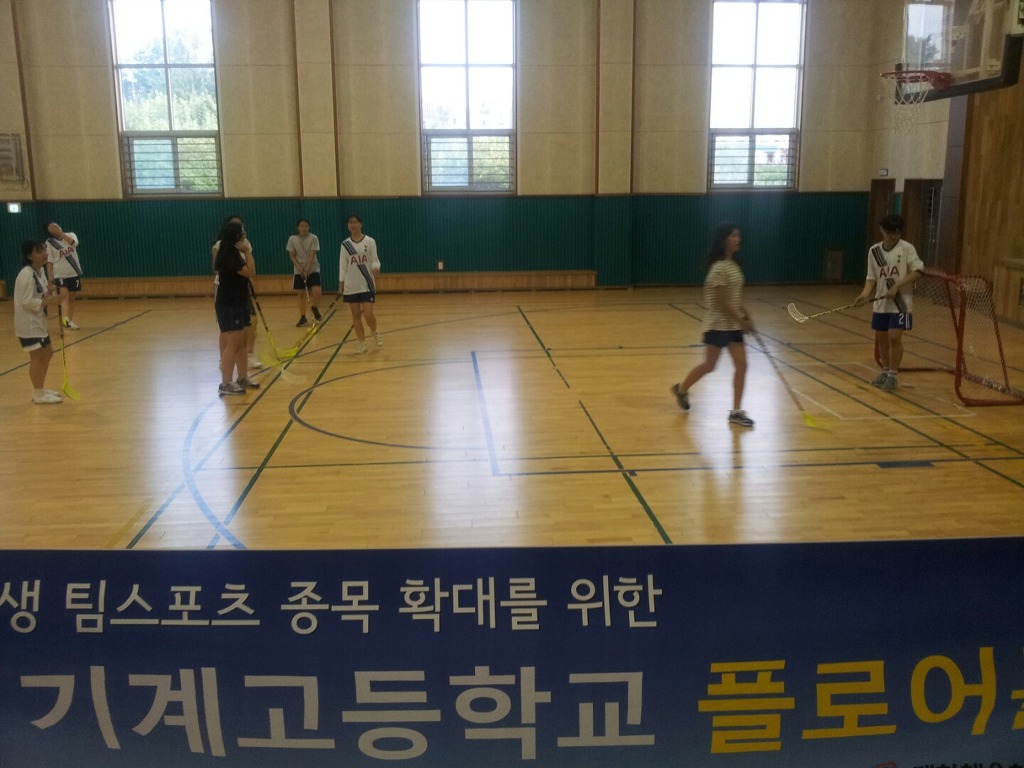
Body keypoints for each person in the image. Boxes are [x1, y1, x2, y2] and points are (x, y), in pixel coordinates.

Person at [670, 222, 755, 427]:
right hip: (717, 324)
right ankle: (681, 389)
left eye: (739, 236)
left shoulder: (734, 265)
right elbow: (721, 301)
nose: (738, 239)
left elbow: (734, 297)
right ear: (724, 239)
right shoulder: (718, 268)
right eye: (734, 236)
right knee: (709, 366)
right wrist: (740, 320)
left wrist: (746, 316)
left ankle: (736, 411)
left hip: (733, 325)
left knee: (742, 365)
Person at [854, 213, 925, 393]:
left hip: (901, 303)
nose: (894, 236)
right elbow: (871, 277)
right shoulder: (874, 251)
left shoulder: (907, 248)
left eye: (897, 233)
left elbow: (918, 271)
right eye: (890, 232)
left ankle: (893, 375)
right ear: (882, 230)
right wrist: (864, 294)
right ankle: (885, 371)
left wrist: (898, 286)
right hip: (881, 304)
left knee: (894, 337)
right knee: (882, 339)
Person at [14, 240, 64, 404]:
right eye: (39, 251)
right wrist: (49, 301)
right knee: (37, 356)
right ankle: (38, 393)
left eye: (44, 250)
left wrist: (49, 292)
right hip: (28, 324)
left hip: (39, 322)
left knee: (48, 352)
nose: (44, 253)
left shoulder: (39, 271)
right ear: (29, 256)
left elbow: (39, 294)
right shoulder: (26, 275)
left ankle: (40, 388)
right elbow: (26, 301)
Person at [214, 220, 259, 396]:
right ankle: (225, 383)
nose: (245, 235)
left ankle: (242, 377)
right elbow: (250, 271)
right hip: (229, 304)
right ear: (235, 236)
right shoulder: (229, 255)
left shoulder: (235, 253)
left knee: (242, 341)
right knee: (233, 343)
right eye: (242, 232)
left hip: (240, 301)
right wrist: (248, 252)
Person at [339, 213, 382, 353]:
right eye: (350, 222)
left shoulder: (370, 241)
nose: (353, 225)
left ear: (360, 224)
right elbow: (343, 266)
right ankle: (362, 343)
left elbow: (375, 260)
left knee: (369, 315)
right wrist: (341, 284)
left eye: (355, 222)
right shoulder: (345, 245)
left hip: (367, 284)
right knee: (356, 316)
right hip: (351, 286)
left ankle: (374, 331)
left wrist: (376, 267)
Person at [44, 221, 82, 330]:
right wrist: (50, 276)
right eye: (51, 228)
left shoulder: (71, 235)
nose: (54, 228)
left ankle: (69, 320)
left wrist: (61, 234)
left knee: (72, 298)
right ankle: (66, 321)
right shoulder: (49, 242)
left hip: (73, 272)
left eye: (55, 225)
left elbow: (73, 243)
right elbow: (50, 261)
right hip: (60, 274)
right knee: (64, 296)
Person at [287, 218, 322, 327]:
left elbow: (312, 255)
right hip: (299, 270)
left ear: (309, 227)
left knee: (317, 291)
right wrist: (301, 270)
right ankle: (303, 318)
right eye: (302, 226)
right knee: (301, 294)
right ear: (298, 227)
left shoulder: (313, 238)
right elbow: (292, 256)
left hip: (313, 268)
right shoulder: (292, 239)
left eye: (306, 226)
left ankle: (314, 308)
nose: (304, 228)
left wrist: (306, 270)